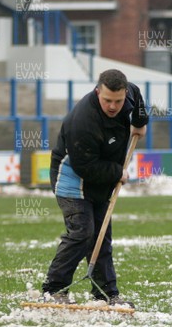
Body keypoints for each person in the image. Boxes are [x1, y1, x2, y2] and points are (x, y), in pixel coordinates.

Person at [42, 69, 149, 307]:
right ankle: (54, 289)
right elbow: (85, 167)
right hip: (72, 179)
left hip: (101, 180)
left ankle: (106, 294)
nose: (113, 106)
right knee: (83, 233)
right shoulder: (82, 121)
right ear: (97, 91)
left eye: (118, 101)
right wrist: (117, 173)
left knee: (102, 237)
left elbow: (138, 97)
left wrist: (141, 122)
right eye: (108, 100)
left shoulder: (129, 93)